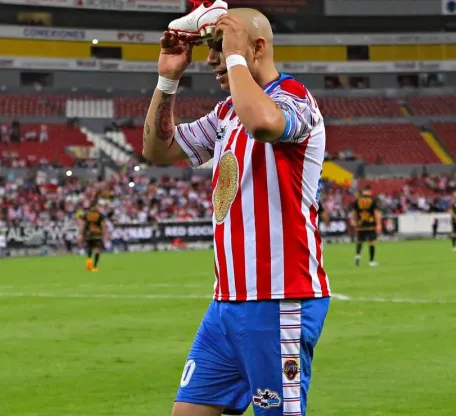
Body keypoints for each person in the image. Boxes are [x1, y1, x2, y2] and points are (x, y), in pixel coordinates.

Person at [145, 5, 331, 416]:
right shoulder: (226, 113)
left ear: (257, 47)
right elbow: (158, 150)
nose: (212, 58)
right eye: (212, 48)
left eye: (220, 46)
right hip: (226, 303)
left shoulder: (294, 98)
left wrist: (234, 57)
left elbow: (264, 125)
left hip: (280, 298)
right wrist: (168, 77)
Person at [351, 186, 382, 267]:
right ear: (369, 191)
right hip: (370, 224)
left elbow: (354, 213)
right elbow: (376, 213)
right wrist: (378, 224)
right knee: (372, 242)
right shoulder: (372, 201)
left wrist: (353, 221)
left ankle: (357, 257)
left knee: (360, 241)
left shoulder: (357, 201)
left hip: (360, 224)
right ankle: (371, 261)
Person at [78, 201, 107, 272]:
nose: (98, 207)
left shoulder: (86, 215)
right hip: (97, 235)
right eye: (97, 206)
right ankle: (94, 266)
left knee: (90, 249)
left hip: (89, 234)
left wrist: (81, 234)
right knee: (97, 250)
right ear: (94, 206)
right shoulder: (100, 215)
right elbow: (104, 226)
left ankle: (88, 262)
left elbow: (82, 225)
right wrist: (104, 234)